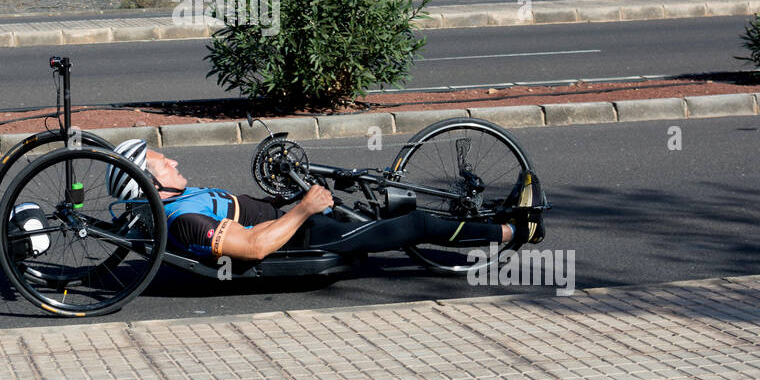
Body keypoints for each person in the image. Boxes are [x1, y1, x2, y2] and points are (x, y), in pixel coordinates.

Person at [105, 139, 545, 264]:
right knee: (414, 224)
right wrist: (304, 208)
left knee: (365, 185)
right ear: (148, 180)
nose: (175, 161)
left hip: (293, 216)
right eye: (164, 162)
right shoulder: (183, 222)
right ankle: (516, 230)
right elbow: (255, 248)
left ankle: (496, 214)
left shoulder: (170, 205)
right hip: (306, 237)